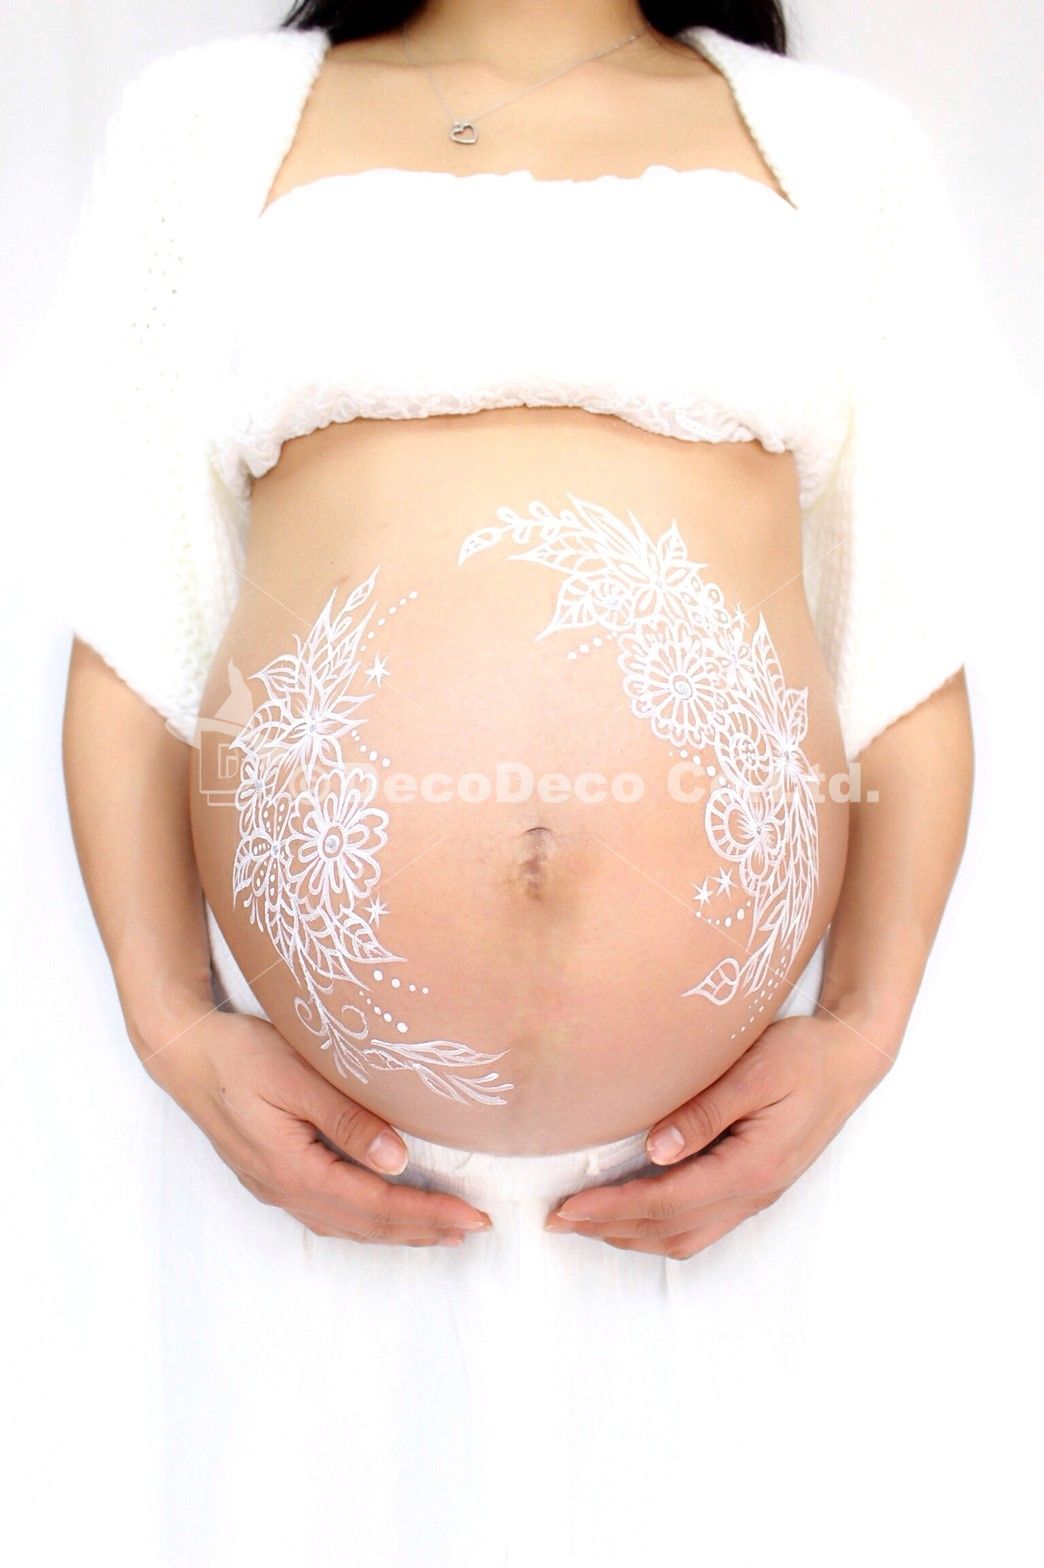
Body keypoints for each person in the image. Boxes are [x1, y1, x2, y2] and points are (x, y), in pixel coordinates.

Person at [45, 2, 1020, 1563]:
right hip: (313, 1161)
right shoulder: (209, 127)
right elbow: (131, 619)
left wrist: (858, 1036)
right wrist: (172, 1027)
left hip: (726, 1173)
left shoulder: (839, 153)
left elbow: (907, 643)